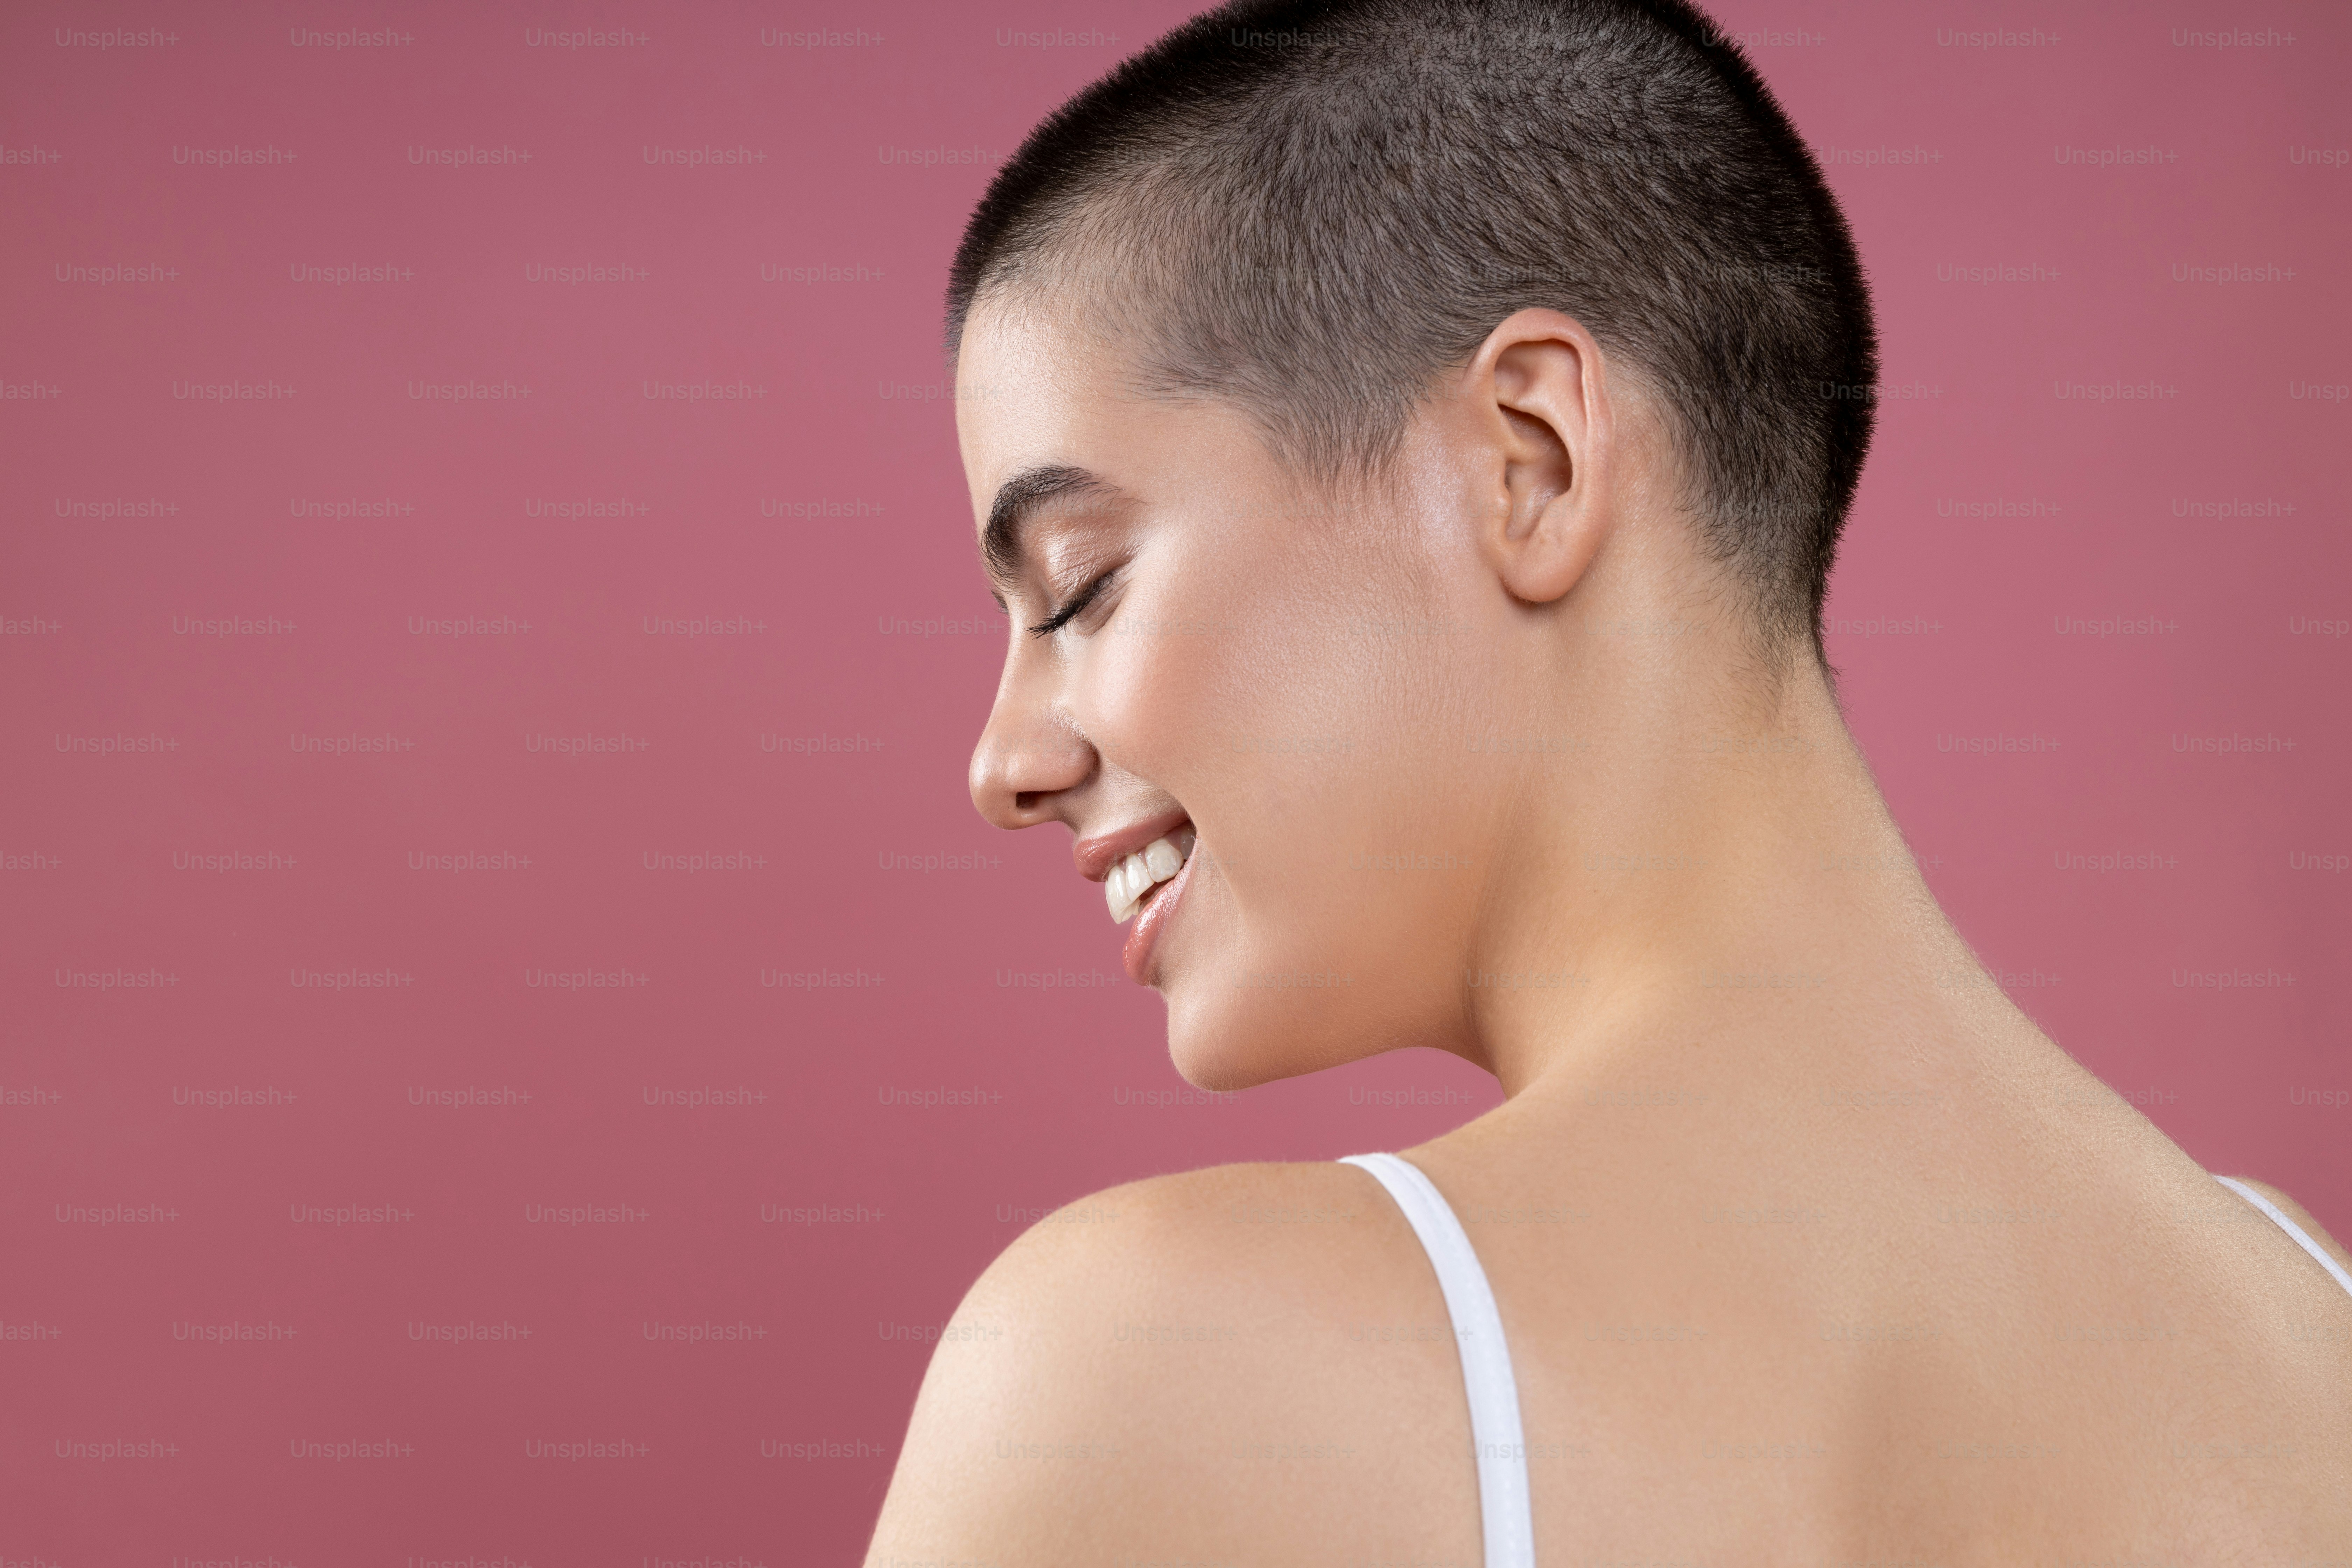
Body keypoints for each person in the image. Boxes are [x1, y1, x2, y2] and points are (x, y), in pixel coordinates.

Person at [866, 0, 2352, 1560]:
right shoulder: (2315, 1340)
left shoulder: (1146, 1370)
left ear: (1533, 460)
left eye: (1081, 584)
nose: (1005, 765)